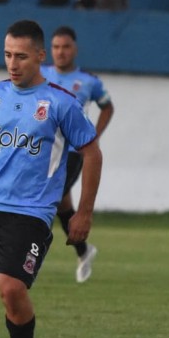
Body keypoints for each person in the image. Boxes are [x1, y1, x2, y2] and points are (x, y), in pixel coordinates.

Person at [0, 19, 102, 338]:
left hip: (31, 213)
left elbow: (92, 154)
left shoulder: (62, 102)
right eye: (8, 55)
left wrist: (84, 214)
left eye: (22, 56)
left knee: (10, 288)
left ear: (41, 57)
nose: (13, 63)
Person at [40, 26, 114, 282]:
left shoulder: (89, 81)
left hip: (72, 152)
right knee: (62, 204)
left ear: (75, 49)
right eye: (56, 47)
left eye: (66, 47)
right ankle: (84, 251)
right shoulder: (40, 74)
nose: (60, 52)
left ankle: (29, 257)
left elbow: (107, 108)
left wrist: (93, 135)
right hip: (44, 150)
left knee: (51, 197)